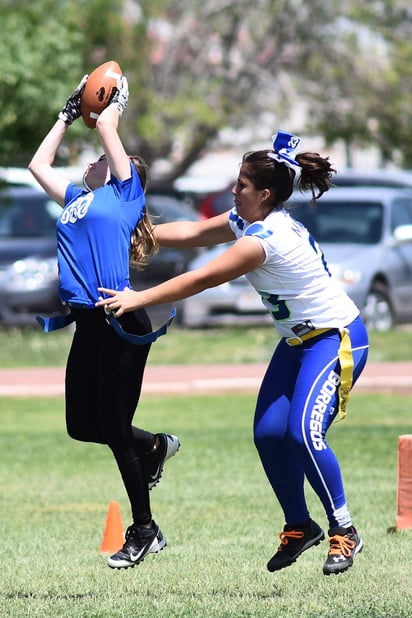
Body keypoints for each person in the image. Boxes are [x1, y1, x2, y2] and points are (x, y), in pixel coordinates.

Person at [96, 130, 369, 576]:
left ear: (263, 194)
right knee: (267, 434)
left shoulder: (268, 238)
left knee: (303, 433)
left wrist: (139, 298)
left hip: (334, 337)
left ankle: (345, 531)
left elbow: (202, 279)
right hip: (297, 343)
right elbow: (195, 231)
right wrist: (132, 231)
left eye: (241, 185)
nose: (233, 190)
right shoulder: (250, 222)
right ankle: (300, 526)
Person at [28, 73, 180, 570]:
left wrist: (113, 102)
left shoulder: (123, 195)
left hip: (120, 320)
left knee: (114, 428)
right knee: (80, 426)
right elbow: (37, 164)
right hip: (88, 324)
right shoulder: (77, 198)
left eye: (103, 160)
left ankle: (144, 529)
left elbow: (110, 135)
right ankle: (154, 445)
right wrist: (67, 113)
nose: (93, 161)